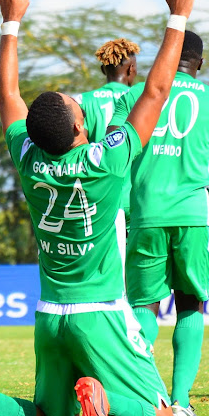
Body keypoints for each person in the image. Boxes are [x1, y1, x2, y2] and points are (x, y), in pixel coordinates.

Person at [0, 0, 199, 416]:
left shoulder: (30, 159)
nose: (79, 103)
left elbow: (6, 94)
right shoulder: (109, 159)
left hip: (49, 315)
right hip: (100, 311)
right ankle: (107, 399)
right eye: (76, 106)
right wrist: (178, 17)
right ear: (80, 129)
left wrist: (10, 23)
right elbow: (158, 90)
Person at [108, 30, 209, 416]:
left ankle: (150, 398)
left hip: (145, 213)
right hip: (193, 215)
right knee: (189, 304)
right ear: (199, 62)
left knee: (144, 307)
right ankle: (181, 402)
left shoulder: (132, 97)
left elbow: (112, 156)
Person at [74, 38, 141, 268]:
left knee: (108, 272)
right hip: (138, 198)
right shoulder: (142, 101)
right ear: (131, 69)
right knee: (140, 281)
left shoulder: (82, 102)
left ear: (104, 69)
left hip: (101, 200)